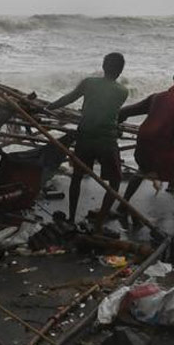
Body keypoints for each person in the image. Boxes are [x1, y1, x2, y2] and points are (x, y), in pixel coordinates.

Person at [46, 53, 128, 229]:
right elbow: (110, 112)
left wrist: (46, 108)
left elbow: (67, 99)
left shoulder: (89, 83)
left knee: (77, 176)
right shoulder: (123, 91)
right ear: (120, 71)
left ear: (103, 66)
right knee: (114, 181)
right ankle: (99, 222)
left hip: (85, 136)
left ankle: (71, 217)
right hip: (107, 139)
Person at [115, 71, 174, 226]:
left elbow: (126, 111)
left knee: (142, 170)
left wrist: (115, 125)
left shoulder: (156, 97)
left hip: (142, 148)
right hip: (162, 151)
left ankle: (123, 204)